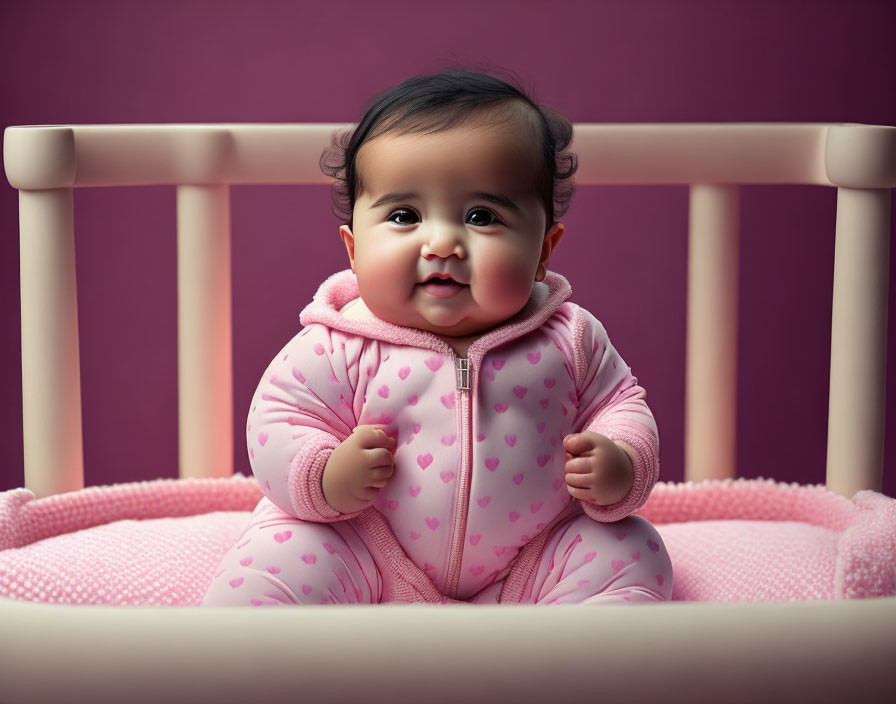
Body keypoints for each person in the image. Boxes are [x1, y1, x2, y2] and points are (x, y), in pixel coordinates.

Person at [202, 68, 672, 606]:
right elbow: (280, 418)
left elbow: (622, 404)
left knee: (630, 549)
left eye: (481, 215)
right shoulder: (338, 342)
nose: (443, 242)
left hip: (533, 555)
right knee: (275, 558)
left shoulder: (571, 338)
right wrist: (325, 476)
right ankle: (250, 666)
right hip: (367, 546)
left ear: (543, 250)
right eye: (405, 215)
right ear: (354, 251)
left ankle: (579, 668)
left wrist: (623, 462)